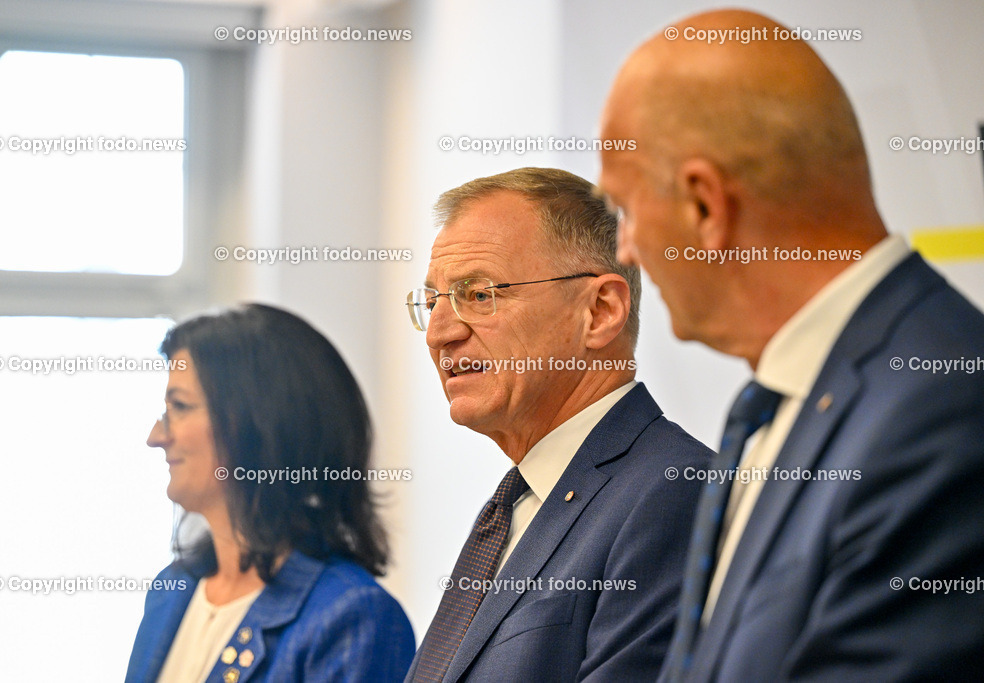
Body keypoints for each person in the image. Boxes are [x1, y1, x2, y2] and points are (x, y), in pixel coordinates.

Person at [599, 8, 984, 681]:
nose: (627, 248)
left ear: (704, 206)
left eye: (626, 211)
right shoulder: (774, 409)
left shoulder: (941, 414)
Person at [403, 167, 712, 682]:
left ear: (600, 311)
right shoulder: (516, 504)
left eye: (478, 295)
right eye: (433, 301)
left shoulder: (675, 493)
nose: (439, 333)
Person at [126, 303, 415, 682]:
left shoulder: (353, 618)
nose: (156, 437)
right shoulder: (172, 589)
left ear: (260, 424)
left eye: (179, 407)